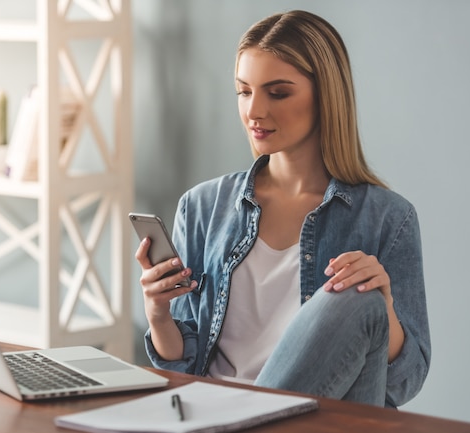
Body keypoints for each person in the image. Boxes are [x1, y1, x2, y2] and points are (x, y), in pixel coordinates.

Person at [135, 10, 430, 408]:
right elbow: (184, 370)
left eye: (277, 92)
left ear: (325, 96)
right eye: (244, 91)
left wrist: (384, 305)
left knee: (359, 298)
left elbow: (402, 382)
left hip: (322, 418)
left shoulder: (388, 218)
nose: (254, 111)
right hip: (212, 410)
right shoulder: (203, 206)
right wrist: (157, 313)